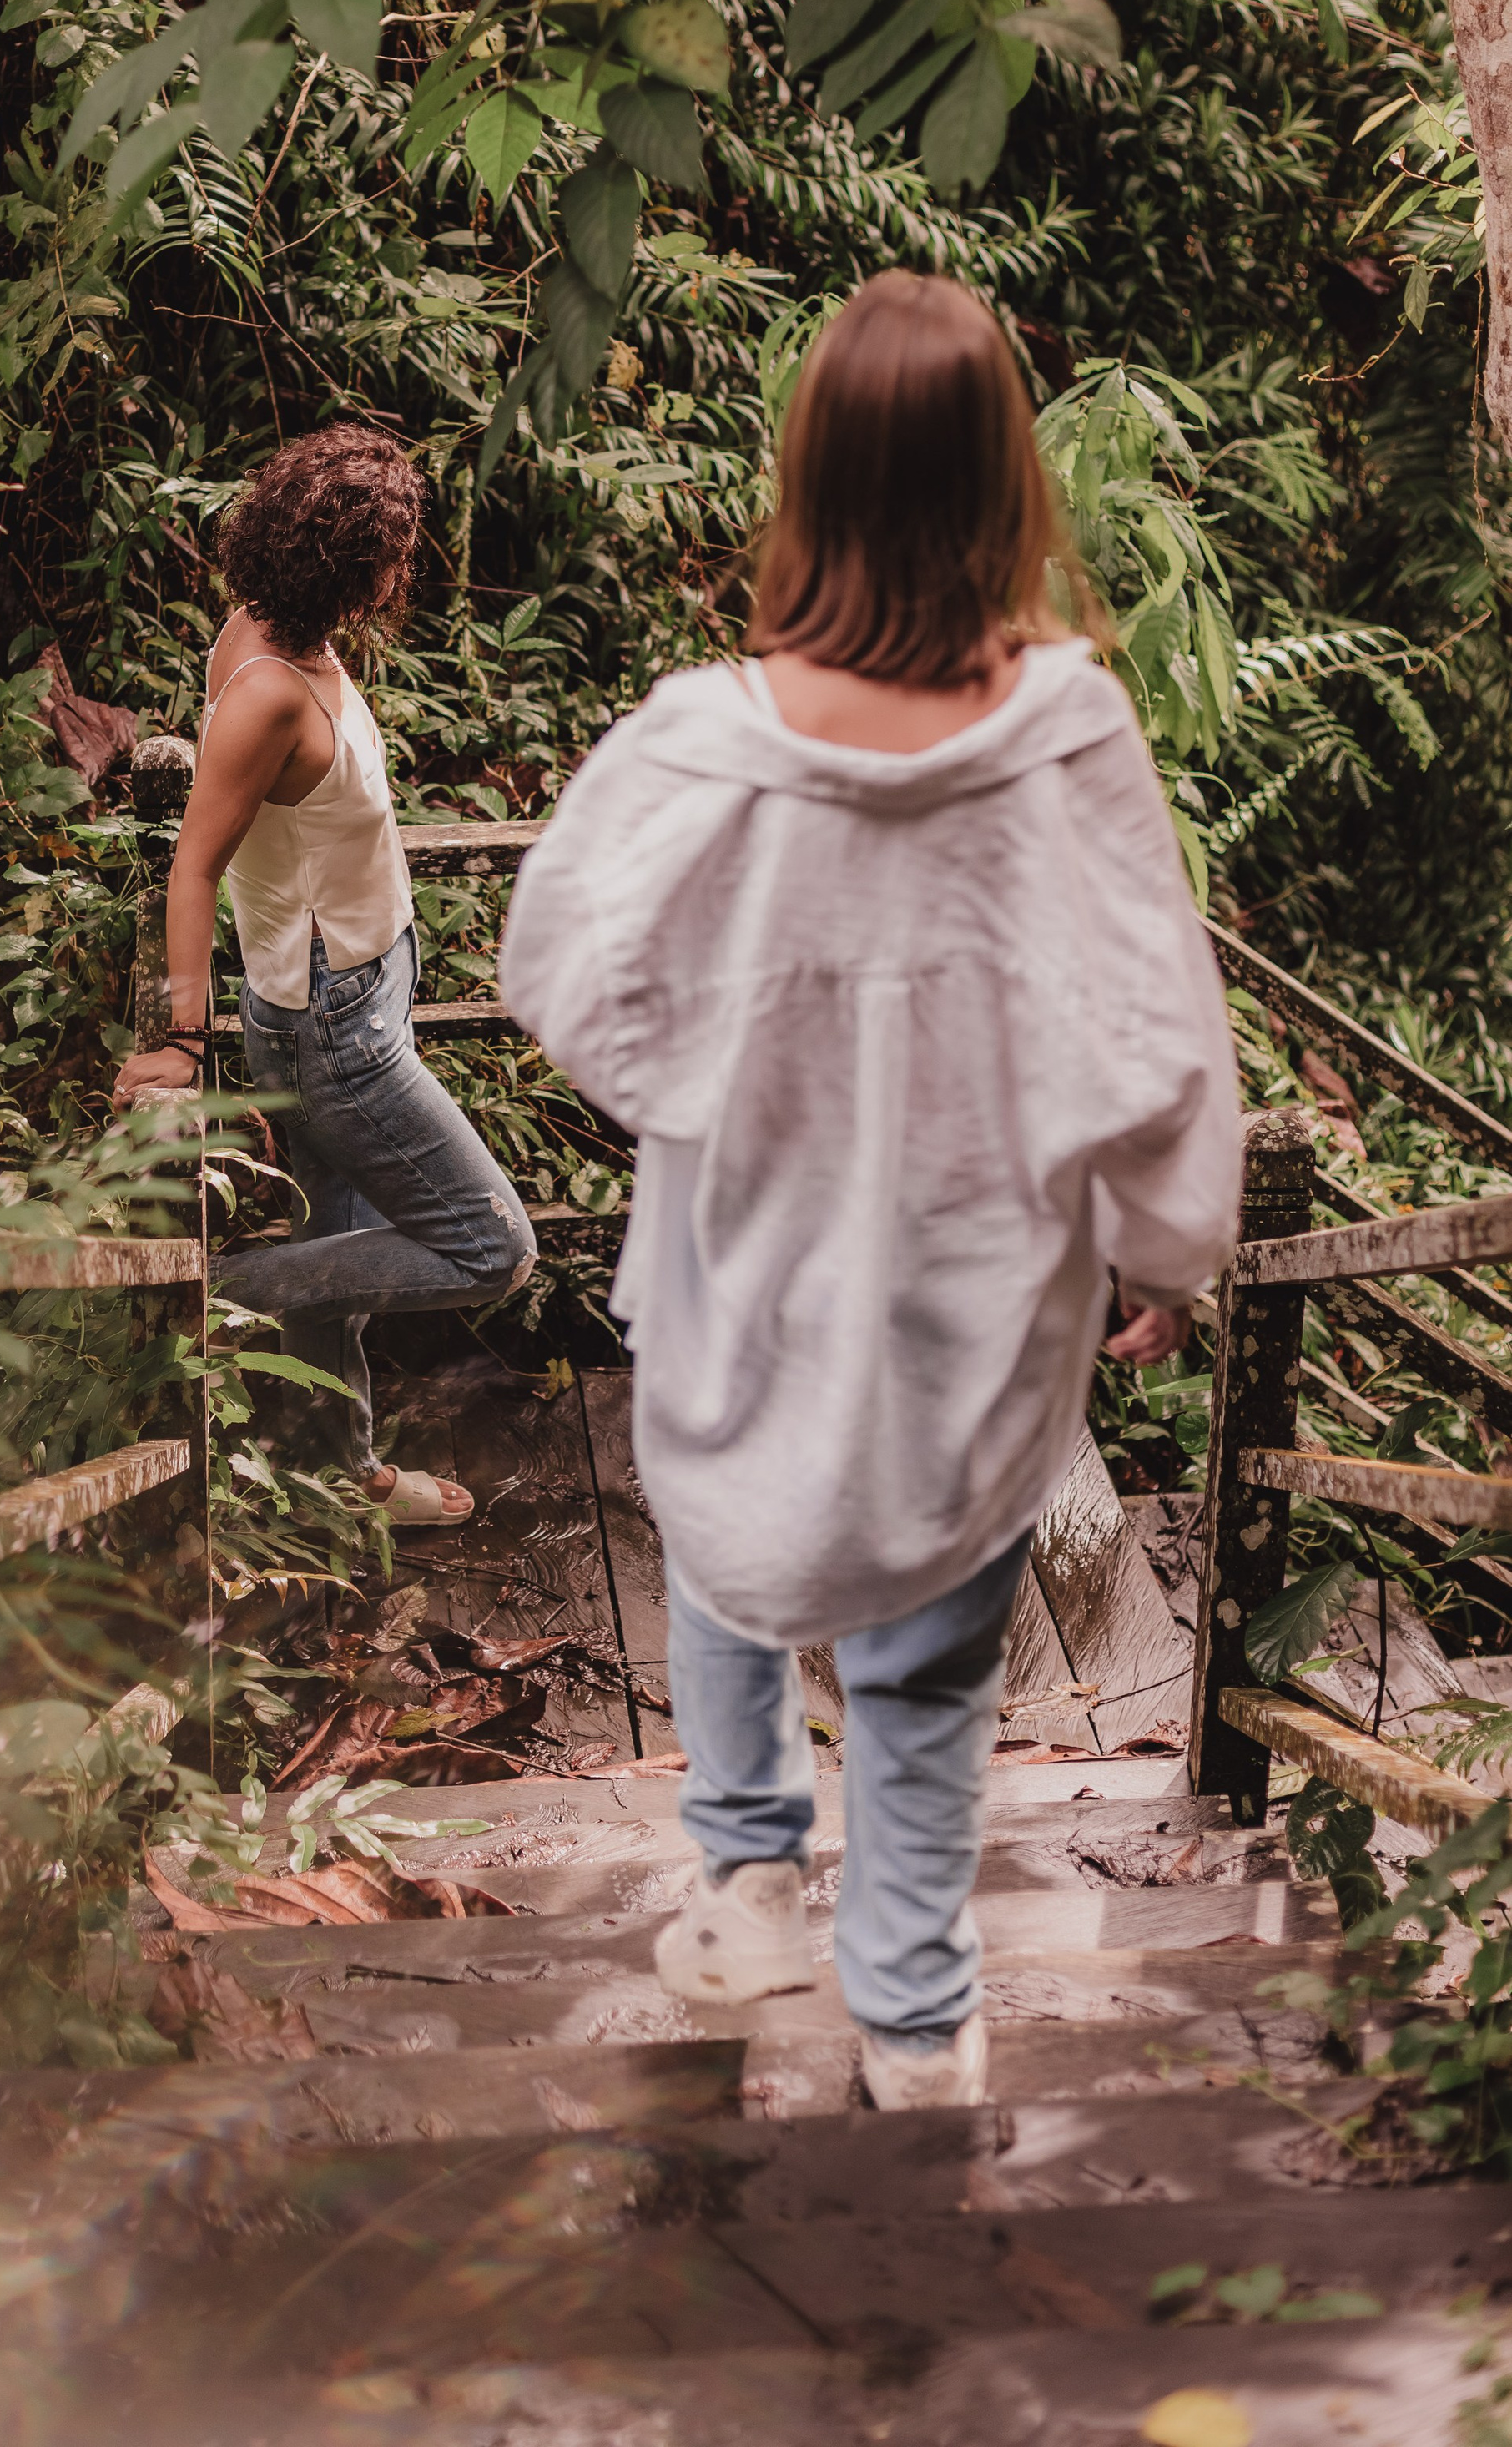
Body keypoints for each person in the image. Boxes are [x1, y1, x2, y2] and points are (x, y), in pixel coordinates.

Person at [500, 273, 1240, 2108]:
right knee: (925, 1673)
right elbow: (1152, 1029)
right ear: (1006, 482)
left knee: (726, 1548)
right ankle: (914, 2021)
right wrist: (1155, 1249)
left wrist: (706, 1086)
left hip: (741, 1246)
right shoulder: (1067, 733)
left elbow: (559, 966)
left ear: (806, 474)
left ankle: (747, 1884)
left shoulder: (701, 738)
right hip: (976, 1276)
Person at [115, 423, 537, 1525]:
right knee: (493, 1247)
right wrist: (180, 1040)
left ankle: (332, 1482)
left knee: (337, 1252)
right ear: (356, 571)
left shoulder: (279, 632)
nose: (404, 576)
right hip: (333, 1031)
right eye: (394, 558)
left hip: (356, 985)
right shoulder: (266, 691)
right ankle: (217, 1296)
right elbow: (194, 868)